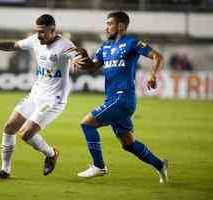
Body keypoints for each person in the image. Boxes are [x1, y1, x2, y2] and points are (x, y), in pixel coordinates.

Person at [68, 11, 168, 183]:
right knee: (128, 144)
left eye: (109, 24)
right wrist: (83, 57)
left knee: (87, 123)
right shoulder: (105, 47)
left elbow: (157, 56)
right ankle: (160, 165)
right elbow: (92, 68)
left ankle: (98, 166)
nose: (106, 28)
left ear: (120, 26)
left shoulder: (132, 43)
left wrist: (152, 74)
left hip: (123, 99)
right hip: (112, 99)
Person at [0, 14, 77, 179]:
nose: (39, 35)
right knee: (9, 127)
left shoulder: (65, 46)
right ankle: (5, 170)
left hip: (53, 100)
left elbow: (81, 59)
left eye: (43, 32)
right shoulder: (35, 39)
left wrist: (80, 61)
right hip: (35, 95)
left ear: (53, 30)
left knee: (25, 134)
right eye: (37, 31)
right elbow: (13, 45)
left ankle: (51, 154)